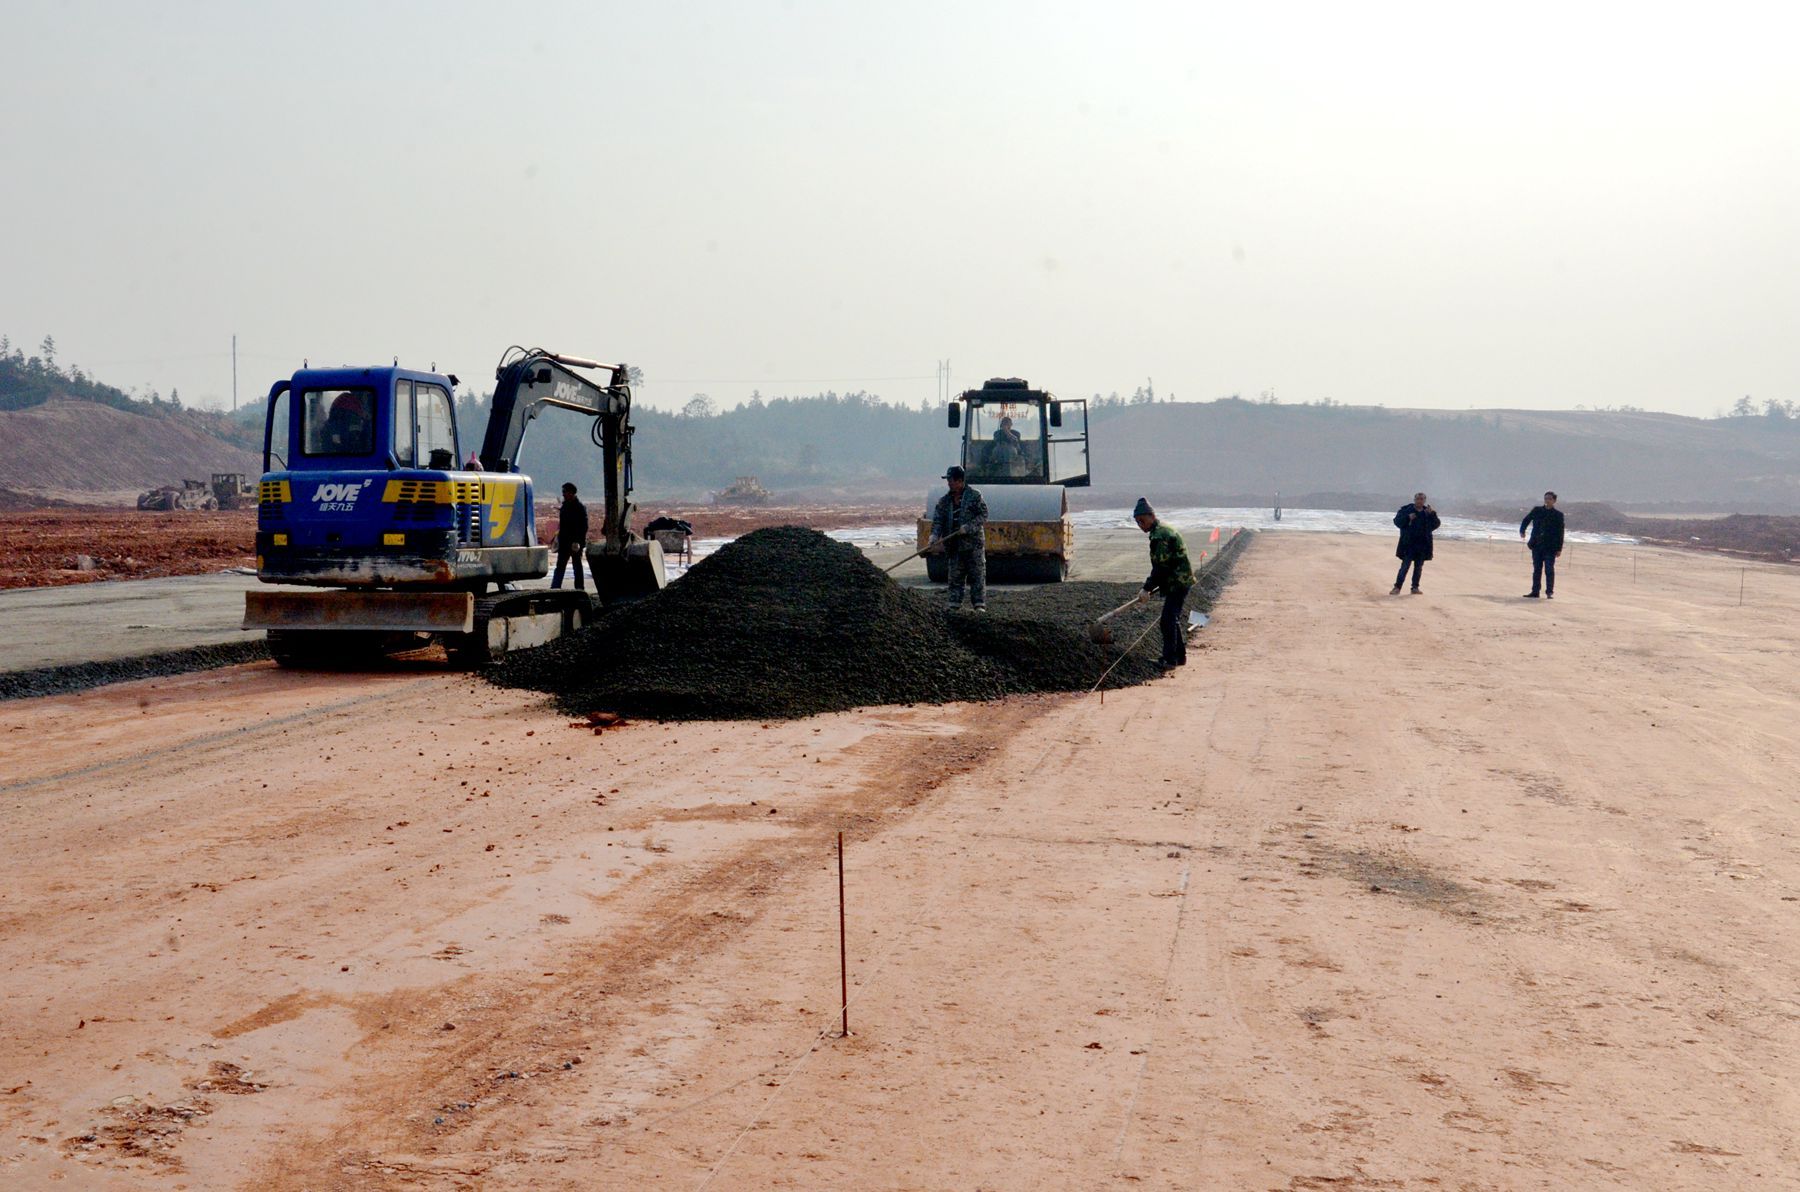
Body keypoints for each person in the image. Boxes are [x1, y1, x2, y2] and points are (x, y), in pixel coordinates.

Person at [1132, 497, 1194, 669]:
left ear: (1151, 516)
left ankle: (1169, 660)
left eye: (1142, 521)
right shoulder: (1160, 531)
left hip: (1178, 581)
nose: (1140, 525)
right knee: (1171, 619)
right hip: (1178, 580)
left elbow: (1161, 567)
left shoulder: (1160, 535)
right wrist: (1150, 587)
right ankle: (1179, 657)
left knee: (1167, 620)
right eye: (1137, 522)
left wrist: (1146, 588)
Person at [929, 465, 988, 611]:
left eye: (952, 480)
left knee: (977, 575)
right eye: (948, 480)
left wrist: (968, 528)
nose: (949, 483)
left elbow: (983, 515)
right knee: (955, 576)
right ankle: (954, 604)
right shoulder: (944, 501)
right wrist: (934, 535)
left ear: (960, 481)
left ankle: (979, 604)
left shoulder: (975, 496)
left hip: (973, 545)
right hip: (954, 546)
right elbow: (938, 521)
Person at [1390, 492, 1439, 595]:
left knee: (1418, 568)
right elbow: (1397, 522)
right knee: (1405, 567)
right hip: (1408, 545)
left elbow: (1435, 525)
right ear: (1414, 500)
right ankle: (1397, 587)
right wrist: (1408, 518)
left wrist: (1433, 514)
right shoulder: (1406, 510)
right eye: (1418, 499)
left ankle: (1415, 588)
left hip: (1422, 545)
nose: (1419, 501)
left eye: (1422, 499)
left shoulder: (1427, 512)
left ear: (1424, 500)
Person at [1519, 490, 1565, 599]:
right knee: (1537, 569)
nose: (1547, 500)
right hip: (1537, 545)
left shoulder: (1558, 515)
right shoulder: (1537, 510)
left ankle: (1549, 592)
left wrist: (1559, 549)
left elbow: (1560, 533)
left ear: (1554, 501)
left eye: (1549, 499)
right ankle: (1535, 591)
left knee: (1549, 570)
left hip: (1550, 547)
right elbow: (1526, 519)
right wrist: (1522, 530)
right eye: (1545, 498)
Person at [550, 481, 588, 591]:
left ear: (571, 493)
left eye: (564, 492)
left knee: (577, 566)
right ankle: (555, 588)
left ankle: (579, 589)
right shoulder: (565, 506)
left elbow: (583, 526)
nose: (563, 494)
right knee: (560, 567)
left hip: (574, 544)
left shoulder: (579, 507)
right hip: (564, 543)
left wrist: (578, 541)